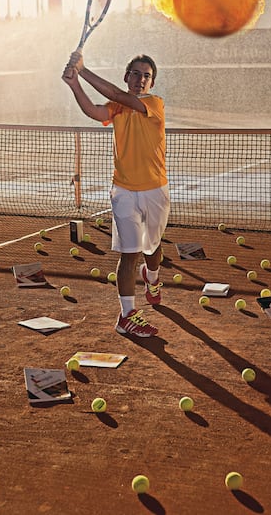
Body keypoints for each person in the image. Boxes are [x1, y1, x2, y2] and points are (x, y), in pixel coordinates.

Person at [62, 52, 170, 337]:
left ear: (151, 83)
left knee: (152, 248)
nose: (140, 79)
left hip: (155, 190)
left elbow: (116, 95)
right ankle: (126, 315)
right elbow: (95, 111)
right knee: (130, 253)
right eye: (135, 74)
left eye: (146, 75)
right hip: (123, 191)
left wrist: (83, 70)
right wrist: (74, 85)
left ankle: (153, 277)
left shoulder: (154, 104)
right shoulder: (117, 106)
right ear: (127, 77)